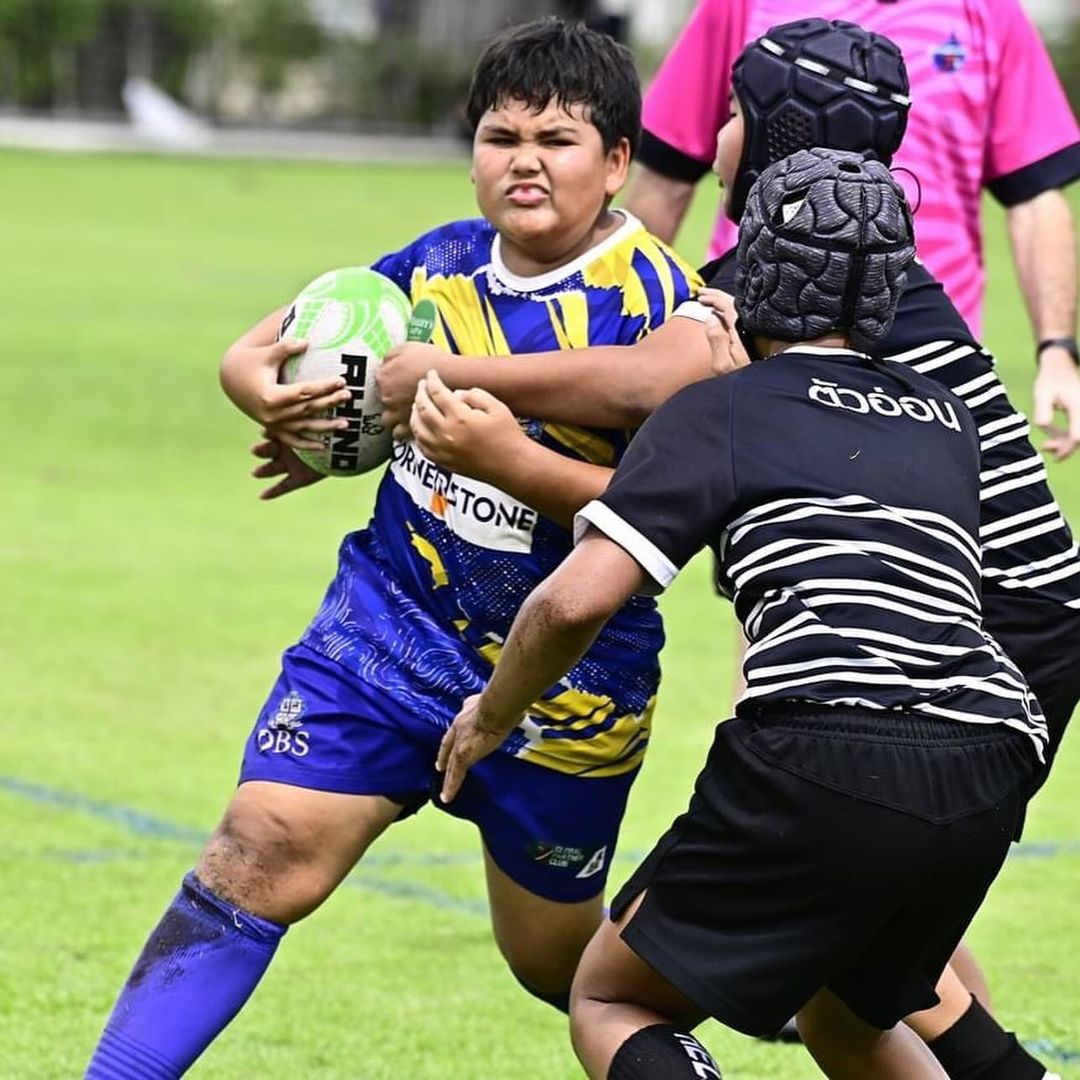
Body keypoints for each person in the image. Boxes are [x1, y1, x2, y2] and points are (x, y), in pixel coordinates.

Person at [378, 19, 1080, 1078]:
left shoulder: (738, 351)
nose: (715, 138)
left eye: (734, 118)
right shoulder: (919, 370)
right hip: (997, 705)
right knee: (856, 997)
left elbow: (634, 455)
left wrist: (482, 431)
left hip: (951, 656)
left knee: (623, 994)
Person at [84, 19, 700, 1078]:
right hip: (388, 628)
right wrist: (271, 396)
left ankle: (806, 990)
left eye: (557, 140)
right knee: (254, 851)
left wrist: (499, 451)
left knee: (560, 967)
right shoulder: (434, 265)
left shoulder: (661, 308)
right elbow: (260, 349)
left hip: (566, 682)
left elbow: (669, 513)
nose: (523, 161)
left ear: (618, 162)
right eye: (500, 136)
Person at [624, 0, 1080, 462]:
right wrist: (616, 316)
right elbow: (666, 177)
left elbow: (1035, 194)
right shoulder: (737, 7)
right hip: (759, 325)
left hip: (923, 351)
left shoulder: (989, 12)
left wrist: (1058, 350)